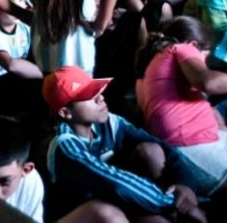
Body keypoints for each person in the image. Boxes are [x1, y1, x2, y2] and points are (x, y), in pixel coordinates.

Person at [134, 17, 227, 216]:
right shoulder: (181, 49)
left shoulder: (147, 71)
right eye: (205, 54)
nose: (204, 61)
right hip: (189, 145)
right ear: (195, 45)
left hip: (206, 134)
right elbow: (207, 82)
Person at [43, 66, 208, 222]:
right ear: (66, 112)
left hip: (119, 197)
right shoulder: (65, 145)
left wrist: (184, 183)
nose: (101, 97)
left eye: (97, 91)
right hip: (90, 211)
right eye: (90, 96)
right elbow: (117, 182)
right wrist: (175, 204)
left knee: (151, 150)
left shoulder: (110, 122)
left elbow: (160, 145)